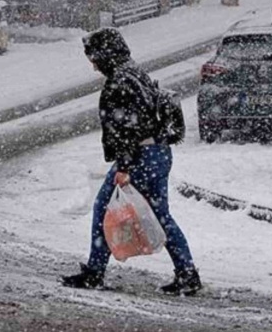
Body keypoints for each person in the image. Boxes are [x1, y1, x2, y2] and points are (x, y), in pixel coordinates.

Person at [61, 28, 202, 296]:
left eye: (94, 58)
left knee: (104, 208)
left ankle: (95, 272)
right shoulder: (135, 73)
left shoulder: (120, 81)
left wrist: (124, 167)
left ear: (105, 55)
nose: (93, 66)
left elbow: (126, 127)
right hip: (158, 153)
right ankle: (187, 273)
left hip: (139, 158)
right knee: (160, 216)